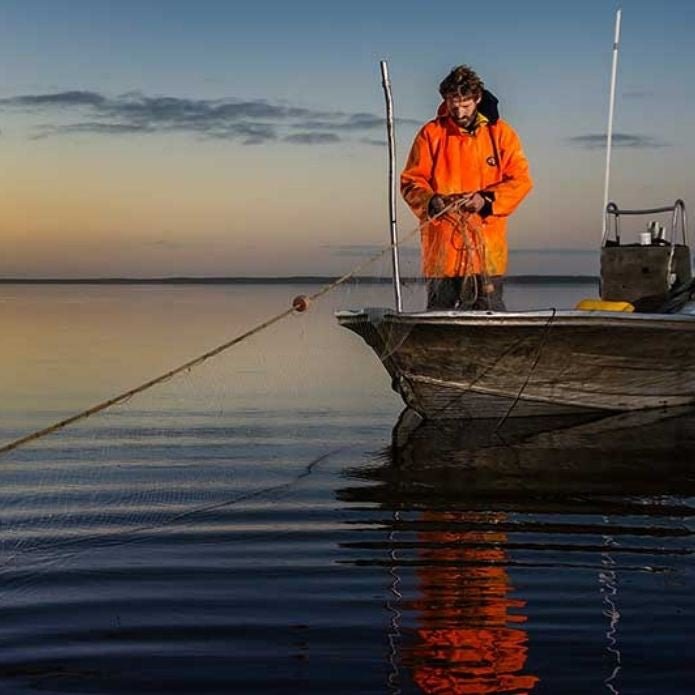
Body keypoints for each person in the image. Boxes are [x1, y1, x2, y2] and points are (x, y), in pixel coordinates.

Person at [401, 65, 532, 310]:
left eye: (465, 104)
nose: (458, 110)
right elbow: (411, 182)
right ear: (445, 100)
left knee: (489, 320)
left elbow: (521, 181)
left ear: (478, 99)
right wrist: (433, 201)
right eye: (453, 102)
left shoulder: (502, 134)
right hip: (441, 253)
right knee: (439, 323)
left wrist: (486, 200)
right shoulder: (431, 134)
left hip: (486, 254)